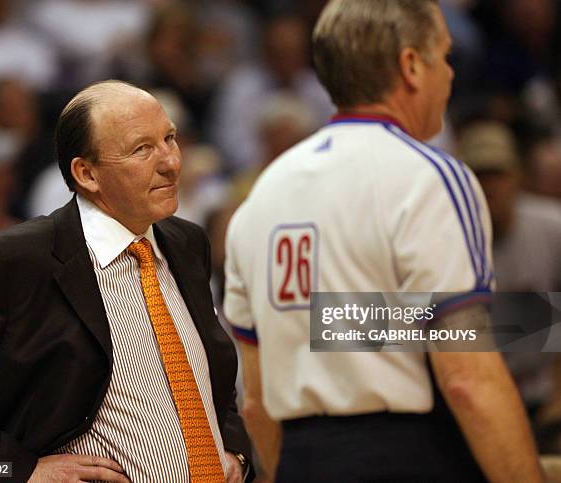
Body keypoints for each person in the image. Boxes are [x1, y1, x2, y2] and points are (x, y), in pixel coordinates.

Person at [223, 1, 543, 482]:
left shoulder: (260, 196)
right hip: (410, 454)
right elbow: (467, 379)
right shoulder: (430, 177)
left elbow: (256, 402)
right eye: (445, 56)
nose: (451, 75)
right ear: (412, 66)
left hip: (299, 461)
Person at [0, 80, 251, 483]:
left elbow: (213, 371)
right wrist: (20, 472)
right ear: (87, 173)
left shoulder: (187, 241)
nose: (172, 162)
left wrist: (233, 449)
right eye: (142, 149)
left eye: (170, 138)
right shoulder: (17, 260)